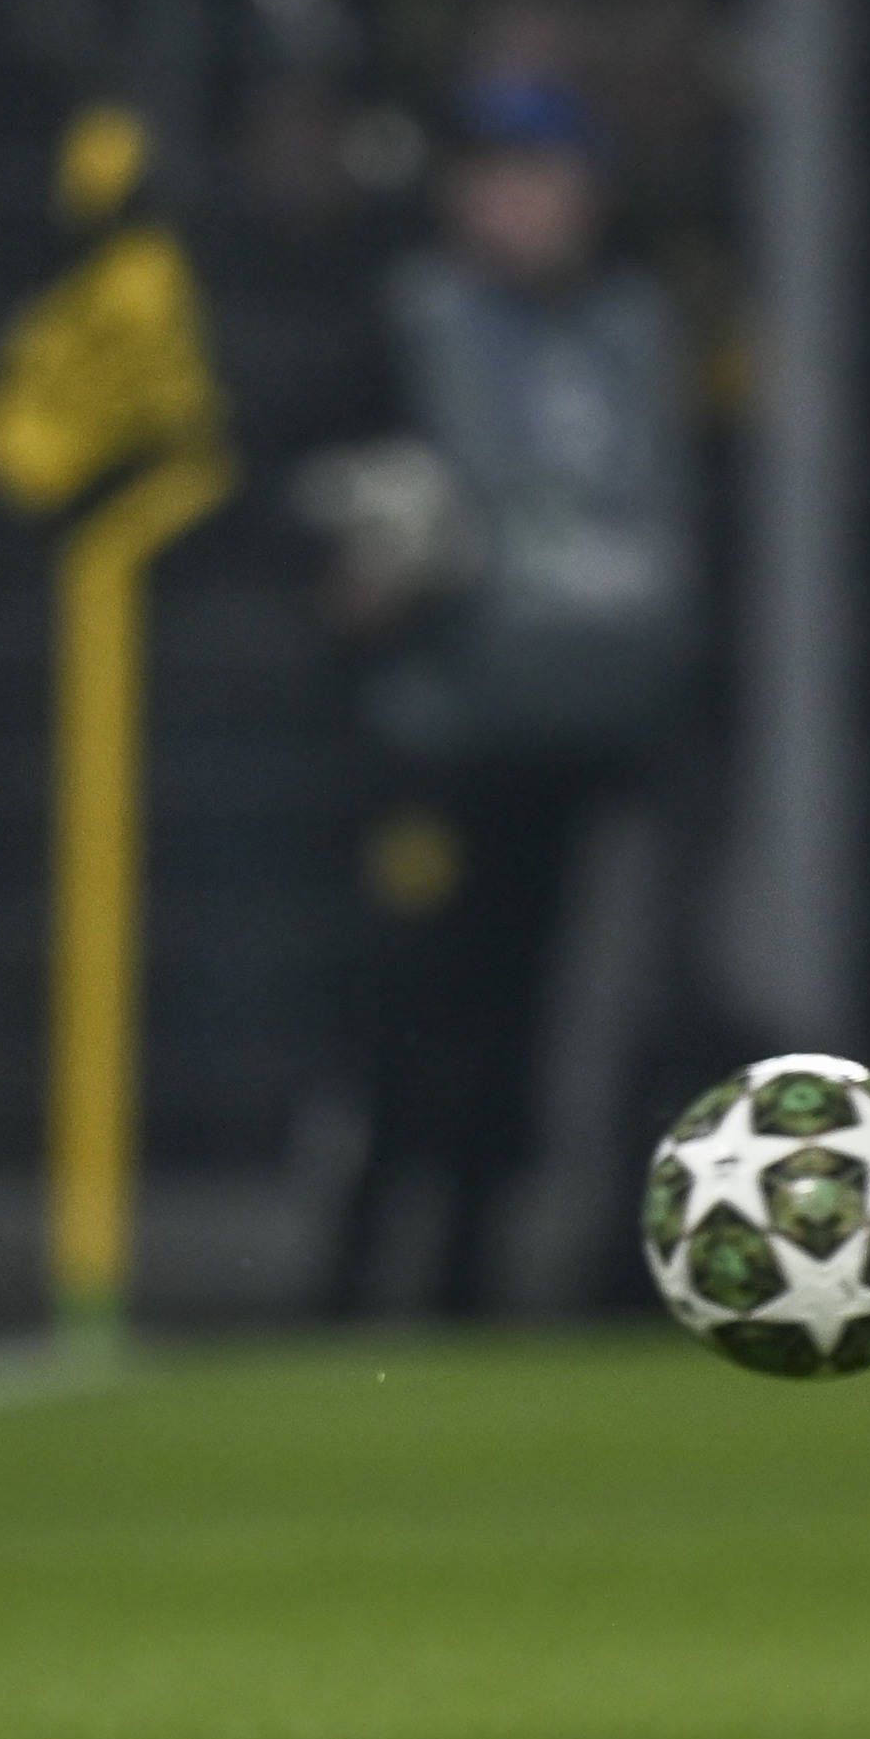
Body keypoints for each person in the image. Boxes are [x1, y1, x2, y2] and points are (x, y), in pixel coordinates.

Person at [302, 71, 699, 1316]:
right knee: (410, 1017)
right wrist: (365, 565)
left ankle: (484, 1283)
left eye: (543, 176)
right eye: (495, 178)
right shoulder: (405, 320)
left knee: (560, 1033)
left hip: (604, 747)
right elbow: (313, 505)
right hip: (444, 744)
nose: (518, 204)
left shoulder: (646, 326)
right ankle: (353, 1284)